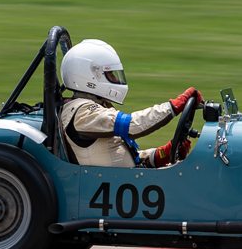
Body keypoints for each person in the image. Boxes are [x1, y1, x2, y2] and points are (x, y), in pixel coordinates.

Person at [58, 39, 203, 168]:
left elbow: (118, 154)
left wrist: (161, 155)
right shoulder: (83, 113)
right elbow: (133, 126)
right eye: (110, 74)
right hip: (114, 188)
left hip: (125, 183)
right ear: (90, 76)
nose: (115, 78)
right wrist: (174, 106)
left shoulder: (93, 107)